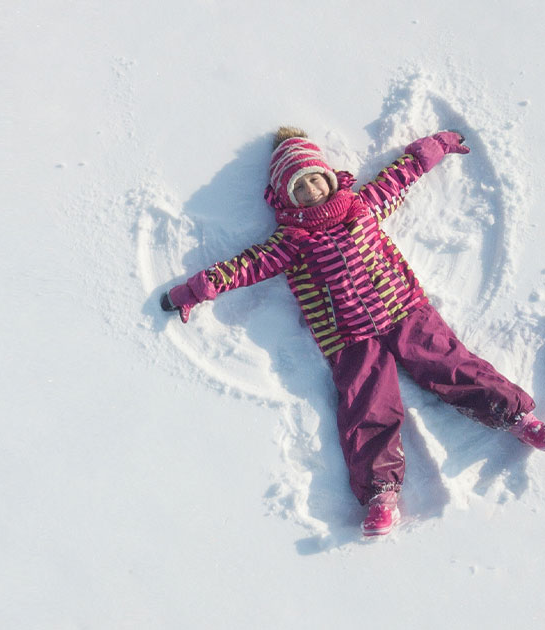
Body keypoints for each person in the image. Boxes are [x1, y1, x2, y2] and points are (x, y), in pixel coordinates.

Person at [161, 126, 543, 537]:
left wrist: (436, 146)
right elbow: (244, 266)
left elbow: (402, 174)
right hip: (349, 339)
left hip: (404, 310)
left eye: (314, 178)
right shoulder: (291, 241)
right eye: (298, 186)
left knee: (450, 364)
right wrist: (195, 290)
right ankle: (381, 494)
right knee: (368, 408)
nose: (309, 189)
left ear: (328, 178)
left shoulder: (361, 205)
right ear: (284, 197)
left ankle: (518, 416)